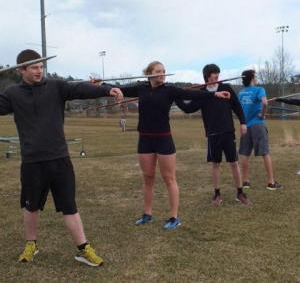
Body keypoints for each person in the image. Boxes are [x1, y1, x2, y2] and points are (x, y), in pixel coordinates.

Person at [0, 49, 123, 266]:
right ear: (21, 70)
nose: (39, 71)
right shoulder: (12, 94)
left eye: (41, 67)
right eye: (34, 67)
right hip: (31, 161)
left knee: (69, 206)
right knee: (31, 207)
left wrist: (106, 89)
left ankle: (84, 249)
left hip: (59, 158)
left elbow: (80, 88)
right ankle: (31, 244)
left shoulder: (56, 87)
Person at [120, 61, 230, 229]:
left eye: (164, 71)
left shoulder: (169, 90)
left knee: (169, 178)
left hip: (164, 139)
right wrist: (101, 85)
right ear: (149, 73)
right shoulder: (141, 88)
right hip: (145, 139)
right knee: (148, 178)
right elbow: (118, 89)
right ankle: (147, 214)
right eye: (158, 71)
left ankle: (174, 218)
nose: (162, 73)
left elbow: (192, 95)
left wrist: (214, 95)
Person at [176, 64, 250, 206]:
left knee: (234, 163)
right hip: (213, 134)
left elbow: (237, 106)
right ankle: (217, 194)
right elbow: (188, 108)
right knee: (216, 164)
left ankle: (240, 193)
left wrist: (243, 122)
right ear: (207, 77)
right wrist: (176, 97)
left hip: (228, 132)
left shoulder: (226, 88)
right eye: (214, 74)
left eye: (218, 73)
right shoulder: (202, 93)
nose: (217, 76)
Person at [238, 69, 282, 190]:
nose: (256, 79)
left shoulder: (241, 93)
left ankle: (245, 181)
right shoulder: (259, 89)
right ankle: (271, 182)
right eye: (255, 77)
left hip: (245, 126)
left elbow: (239, 109)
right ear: (252, 78)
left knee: (244, 153)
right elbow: (265, 103)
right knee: (265, 152)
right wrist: (262, 115)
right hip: (258, 125)